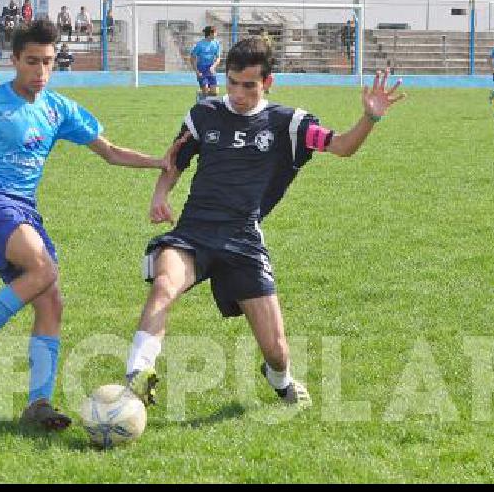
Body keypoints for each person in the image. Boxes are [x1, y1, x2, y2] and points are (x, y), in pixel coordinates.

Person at [0, 19, 181, 432]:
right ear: (14, 60)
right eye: (32, 62)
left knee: (51, 301)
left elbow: (109, 152)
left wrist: (159, 162)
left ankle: (38, 403)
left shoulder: (57, 108)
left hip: (22, 212)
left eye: (48, 62)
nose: (41, 71)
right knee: (44, 270)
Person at [122, 37, 406, 413]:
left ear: (268, 82)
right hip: (194, 231)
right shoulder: (202, 114)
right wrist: (160, 195)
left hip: (243, 240)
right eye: (233, 82)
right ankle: (137, 372)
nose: (238, 93)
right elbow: (174, 161)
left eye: (249, 85)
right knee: (164, 284)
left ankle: (279, 379)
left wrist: (370, 117)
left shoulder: (290, 124)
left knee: (277, 351)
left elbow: (341, 147)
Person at [189, 25, 222, 102]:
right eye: (215, 32)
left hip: (211, 69)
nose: (216, 34)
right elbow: (192, 58)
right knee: (206, 91)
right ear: (210, 33)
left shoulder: (216, 43)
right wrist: (197, 71)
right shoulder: (200, 44)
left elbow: (218, 58)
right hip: (201, 69)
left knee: (215, 92)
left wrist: (213, 66)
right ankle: (203, 99)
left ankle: (201, 93)